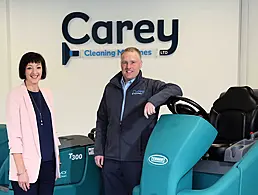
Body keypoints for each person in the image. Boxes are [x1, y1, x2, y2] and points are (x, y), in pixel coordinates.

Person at [94, 47, 183, 195]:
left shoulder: (150, 86)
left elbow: (175, 89)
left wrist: (153, 101)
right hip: (111, 158)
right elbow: (101, 120)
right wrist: (99, 151)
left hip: (136, 158)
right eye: (125, 62)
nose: (129, 67)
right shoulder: (111, 88)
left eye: (133, 62)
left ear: (141, 64)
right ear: (120, 64)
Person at [6, 52, 61, 195]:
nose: (35, 72)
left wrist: (57, 158)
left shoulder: (47, 93)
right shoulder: (15, 95)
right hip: (26, 168)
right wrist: (21, 171)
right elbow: (14, 137)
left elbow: (51, 129)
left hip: (48, 164)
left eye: (38, 67)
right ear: (23, 70)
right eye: (29, 68)